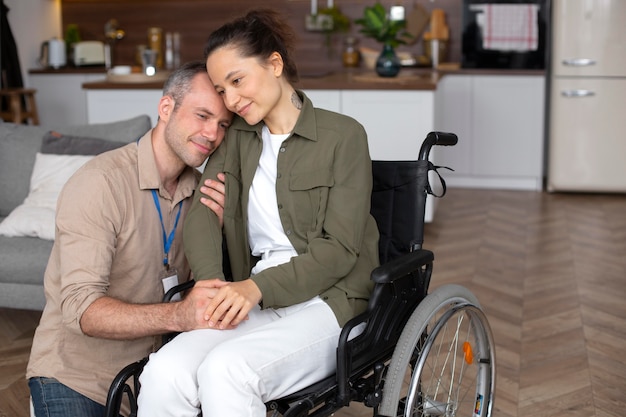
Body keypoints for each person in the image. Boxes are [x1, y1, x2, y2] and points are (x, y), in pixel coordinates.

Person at [137, 9, 380, 416]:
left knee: (228, 370)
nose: (230, 100)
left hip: (330, 299)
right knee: (165, 370)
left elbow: (339, 250)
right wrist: (212, 283)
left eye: (237, 81)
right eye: (221, 89)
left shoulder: (343, 136)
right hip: (257, 291)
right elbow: (201, 213)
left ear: (274, 63)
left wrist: (254, 290)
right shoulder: (237, 141)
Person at [26, 61, 233, 417]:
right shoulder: (99, 184)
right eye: (202, 116)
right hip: (76, 377)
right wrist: (180, 315)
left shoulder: (206, 193)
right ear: (166, 108)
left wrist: (229, 229)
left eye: (223, 124)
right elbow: (82, 310)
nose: (212, 134)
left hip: (155, 378)